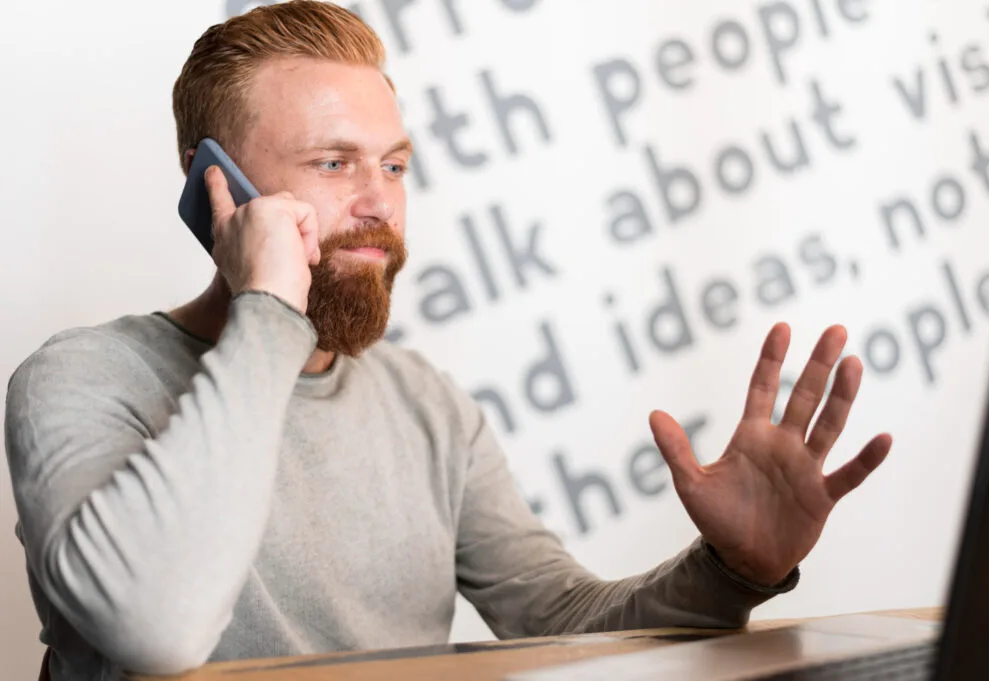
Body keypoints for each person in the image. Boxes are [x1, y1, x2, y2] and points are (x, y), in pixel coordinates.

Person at [3, 3, 892, 680]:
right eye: (332, 162)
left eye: (393, 164)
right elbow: (154, 627)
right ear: (215, 188)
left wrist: (733, 571)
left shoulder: (425, 404)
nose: (379, 202)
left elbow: (562, 618)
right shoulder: (81, 378)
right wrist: (269, 306)